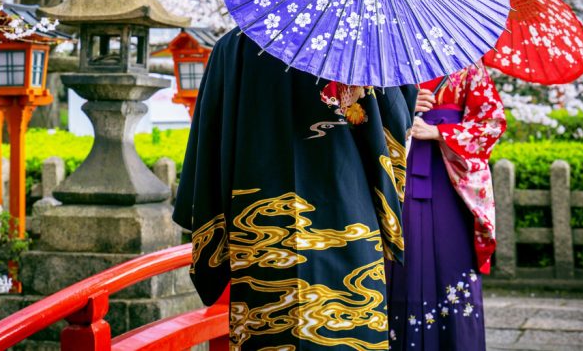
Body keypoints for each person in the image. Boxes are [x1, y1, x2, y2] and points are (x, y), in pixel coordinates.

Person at [174, 30, 418, 349]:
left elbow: (208, 141)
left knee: (267, 326)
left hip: (259, 227)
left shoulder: (231, 47)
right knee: (348, 324)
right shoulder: (361, 40)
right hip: (347, 218)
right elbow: (394, 127)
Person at [385, 62, 507, 351]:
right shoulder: (388, 58)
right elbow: (359, 115)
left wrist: (441, 133)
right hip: (399, 173)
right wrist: (402, 105)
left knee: (452, 259)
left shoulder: (466, 64)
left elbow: (492, 122)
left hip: (450, 180)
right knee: (400, 258)